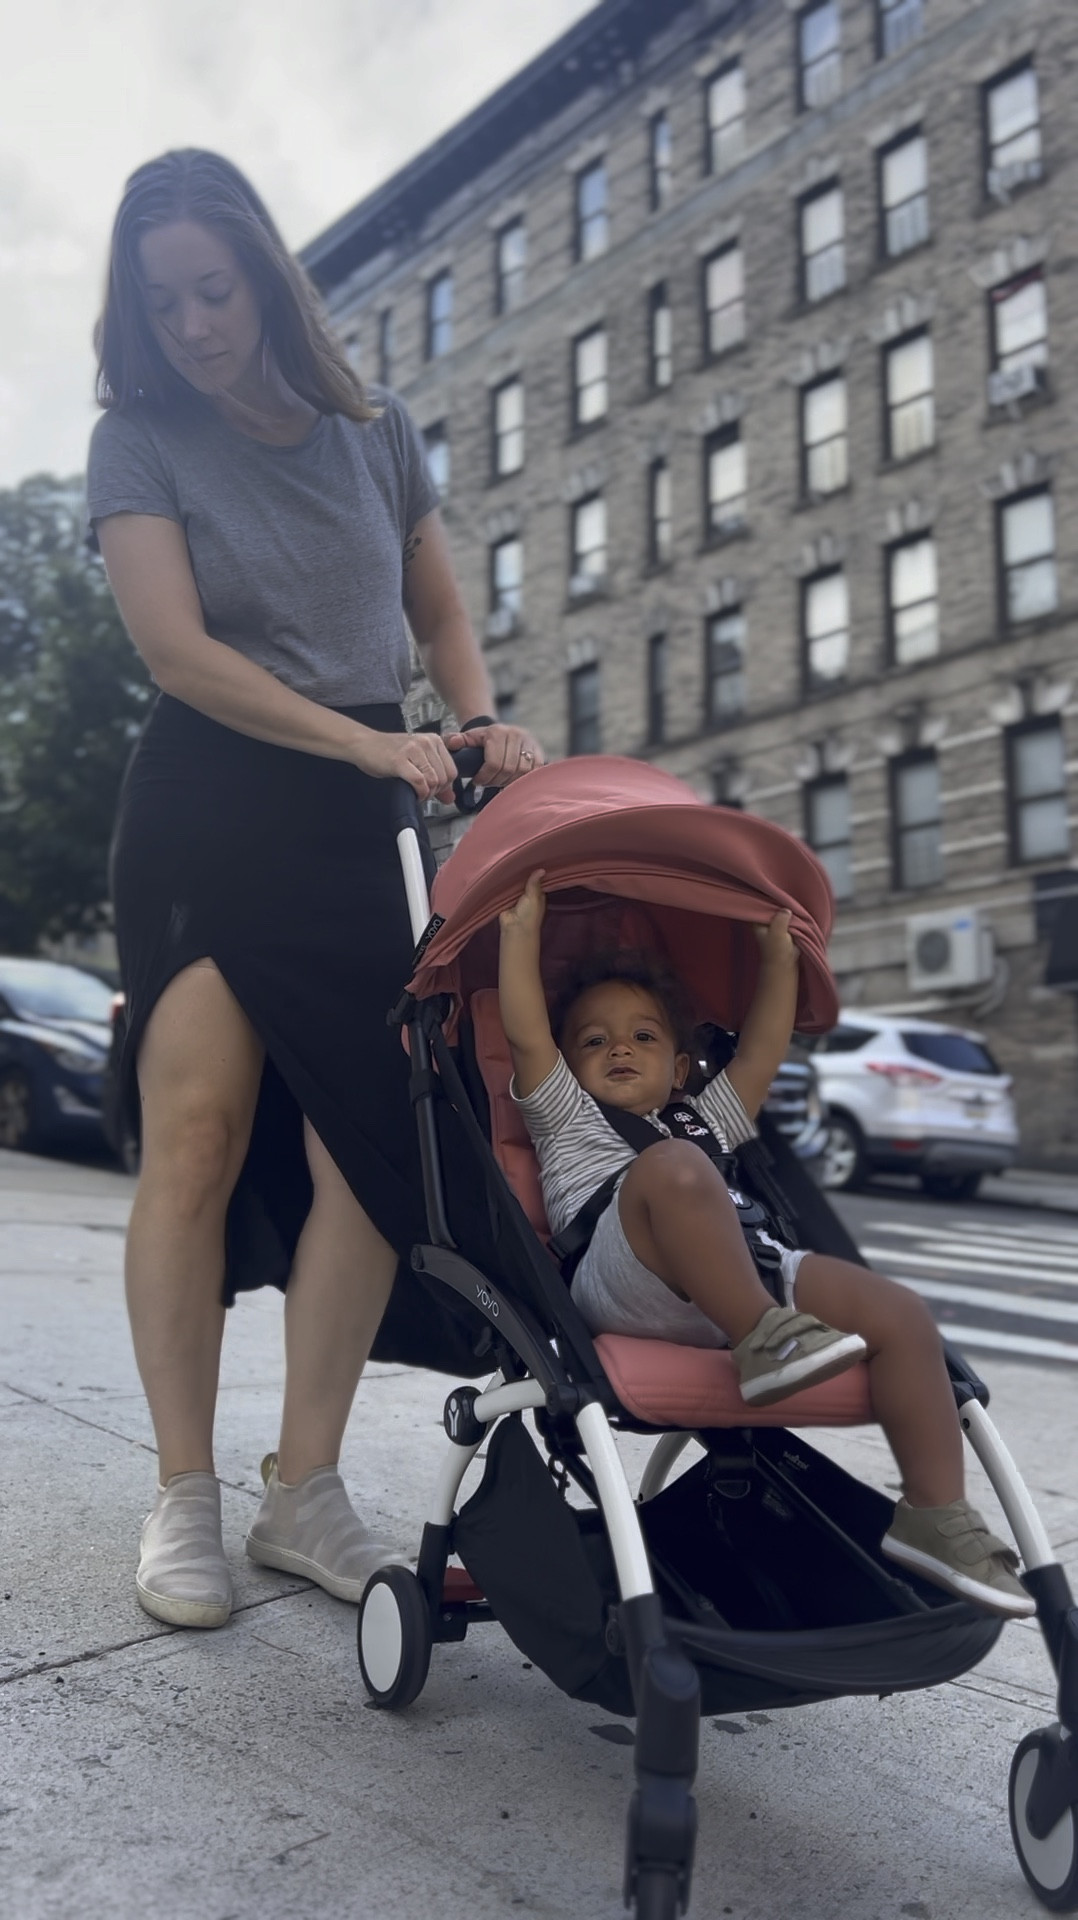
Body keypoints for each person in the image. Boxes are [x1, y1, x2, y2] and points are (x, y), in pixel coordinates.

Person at [87, 149, 544, 1631]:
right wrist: (373, 740)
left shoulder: (372, 430)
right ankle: (182, 1499)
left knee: (363, 1144)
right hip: (211, 808)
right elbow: (176, 653)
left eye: (214, 290)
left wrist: (473, 720)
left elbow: (439, 604)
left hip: (362, 814)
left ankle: (304, 1490)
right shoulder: (138, 441)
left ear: (266, 280)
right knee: (202, 1136)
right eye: (162, 303)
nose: (194, 325)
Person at [498, 870, 1035, 1619]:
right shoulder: (566, 1111)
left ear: (680, 1068)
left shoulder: (701, 1115)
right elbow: (524, 1029)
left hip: (742, 1275)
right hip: (623, 1277)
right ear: (568, 1063)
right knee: (677, 1170)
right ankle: (763, 1336)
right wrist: (521, 933)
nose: (620, 1048)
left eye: (643, 1036)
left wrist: (778, 960)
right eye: (594, 1041)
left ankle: (936, 1516)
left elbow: (759, 1054)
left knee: (901, 1314)